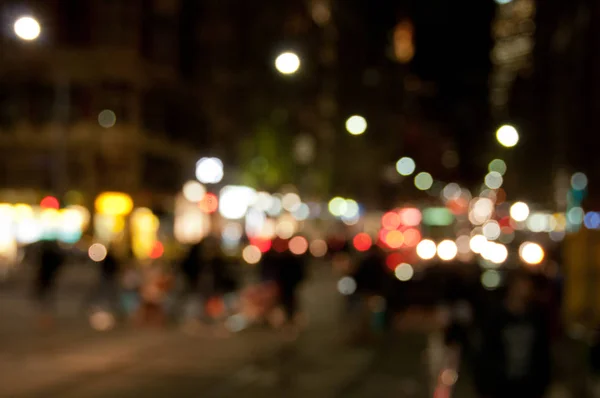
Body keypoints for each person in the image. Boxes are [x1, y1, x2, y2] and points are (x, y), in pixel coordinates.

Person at [472, 268, 551, 398]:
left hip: (528, 386)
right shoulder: (496, 318)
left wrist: (541, 384)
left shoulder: (535, 318)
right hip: (501, 387)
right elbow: (485, 352)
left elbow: (542, 353)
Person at [33, 240, 65, 327]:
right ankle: (46, 317)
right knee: (47, 298)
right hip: (48, 278)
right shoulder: (53, 255)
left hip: (45, 278)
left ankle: (45, 317)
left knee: (45, 298)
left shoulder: (46, 256)